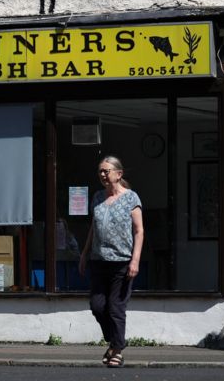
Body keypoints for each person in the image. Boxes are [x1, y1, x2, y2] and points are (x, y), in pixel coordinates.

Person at [79, 156, 143, 369]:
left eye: (107, 171)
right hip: (99, 261)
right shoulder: (97, 197)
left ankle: (117, 350)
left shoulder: (131, 198)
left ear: (119, 173)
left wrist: (135, 260)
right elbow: (93, 228)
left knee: (116, 307)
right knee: (97, 306)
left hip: (122, 262)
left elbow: (139, 231)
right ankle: (115, 341)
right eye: (100, 171)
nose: (103, 175)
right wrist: (84, 254)